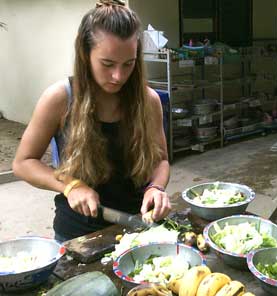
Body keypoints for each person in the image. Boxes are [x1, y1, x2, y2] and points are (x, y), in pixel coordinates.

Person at [12, 0, 171, 242]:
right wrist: (71, 185)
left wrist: (156, 188)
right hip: (78, 236)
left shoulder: (148, 101)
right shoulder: (59, 98)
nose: (118, 76)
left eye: (128, 64)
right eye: (107, 64)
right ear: (85, 54)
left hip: (138, 226)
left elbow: (161, 161)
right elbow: (23, 163)